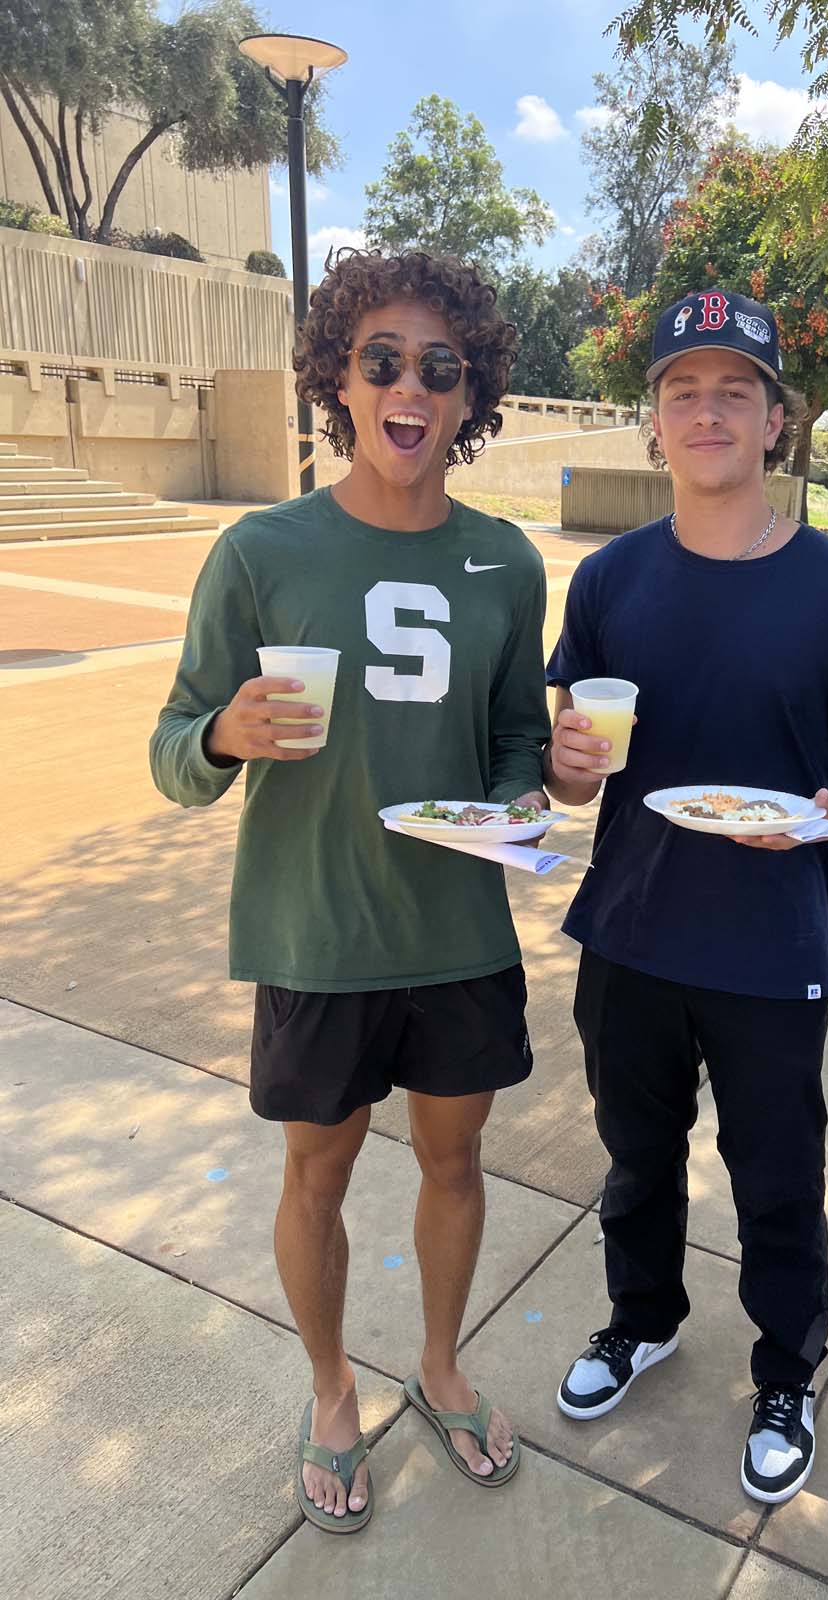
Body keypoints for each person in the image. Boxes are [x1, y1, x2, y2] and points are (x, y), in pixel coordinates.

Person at [150, 248, 550, 1531]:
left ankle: (439, 1366)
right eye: (382, 359)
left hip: (455, 932)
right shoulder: (262, 550)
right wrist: (225, 736)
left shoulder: (506, 562)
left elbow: (514, 752)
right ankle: (331, 1389)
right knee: (315, 1175)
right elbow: (172, 750)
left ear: (473, 391)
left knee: (455, 1160)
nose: (410, 387)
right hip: (316, 935)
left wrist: (529, 801)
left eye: (442, 366)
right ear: (337, 375)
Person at [542, 289, 828, 1505]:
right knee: (634, 1153)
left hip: (770, 940)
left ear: (778, 423)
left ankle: (782, 1369)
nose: (705, 411)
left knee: (774, 1169)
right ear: (653, 423)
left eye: (733, 391)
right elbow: (571, 753)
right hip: (633, 928)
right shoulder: (607, 580)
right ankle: (641, 1317)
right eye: (680, 391)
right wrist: (565, 762)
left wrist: (817, 819)